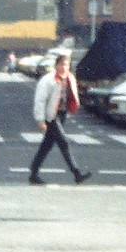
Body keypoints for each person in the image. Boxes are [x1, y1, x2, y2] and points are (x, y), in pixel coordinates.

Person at [29, 54, 92, 185]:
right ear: (56, 65)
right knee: (63, 142)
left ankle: (33, 173)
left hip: (62, 114)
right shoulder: (48, 80)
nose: (65, 67)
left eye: (67, 65)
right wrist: (40, 120)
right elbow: (40, 101)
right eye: (62, 64)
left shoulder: (69, 78)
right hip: (51, 115)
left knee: (46, 145)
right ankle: (77, 173)